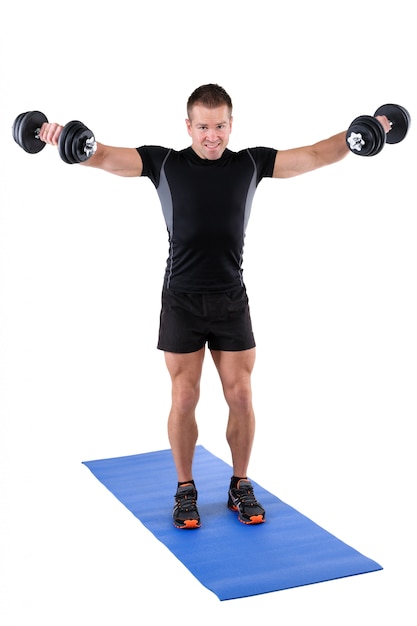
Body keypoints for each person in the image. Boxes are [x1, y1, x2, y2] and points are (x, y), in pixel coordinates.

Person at [39, 84, 392, 529]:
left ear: (231, 124)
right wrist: (59, 138)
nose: (212, 135)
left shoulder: (251, 162)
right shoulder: (163, 161)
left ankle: (239, 483)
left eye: (220, 125)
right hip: (181, 299)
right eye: (203, 126)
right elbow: (102, 154)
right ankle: (186, 489)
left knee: (241, 394)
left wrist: (364, 133)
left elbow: (317, 155)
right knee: (185, 395)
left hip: (231, 298)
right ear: (189, 126)